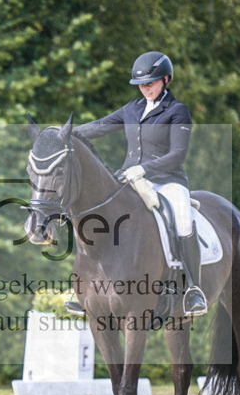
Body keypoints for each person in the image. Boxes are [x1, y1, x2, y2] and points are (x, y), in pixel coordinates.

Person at [73, 51, 207, 317]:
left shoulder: (177, 111)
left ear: (165, 79)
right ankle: (85, 288)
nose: (145, 88)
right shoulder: (132, 108)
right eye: (141, 84)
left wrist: (143, 168)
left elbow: (177, 155)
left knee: (182, 217)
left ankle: (193, 288)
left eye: (151, 82)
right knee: (95, 215)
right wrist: (64, 133)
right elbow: (100, 126)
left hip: (167, 181)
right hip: (130, 179)